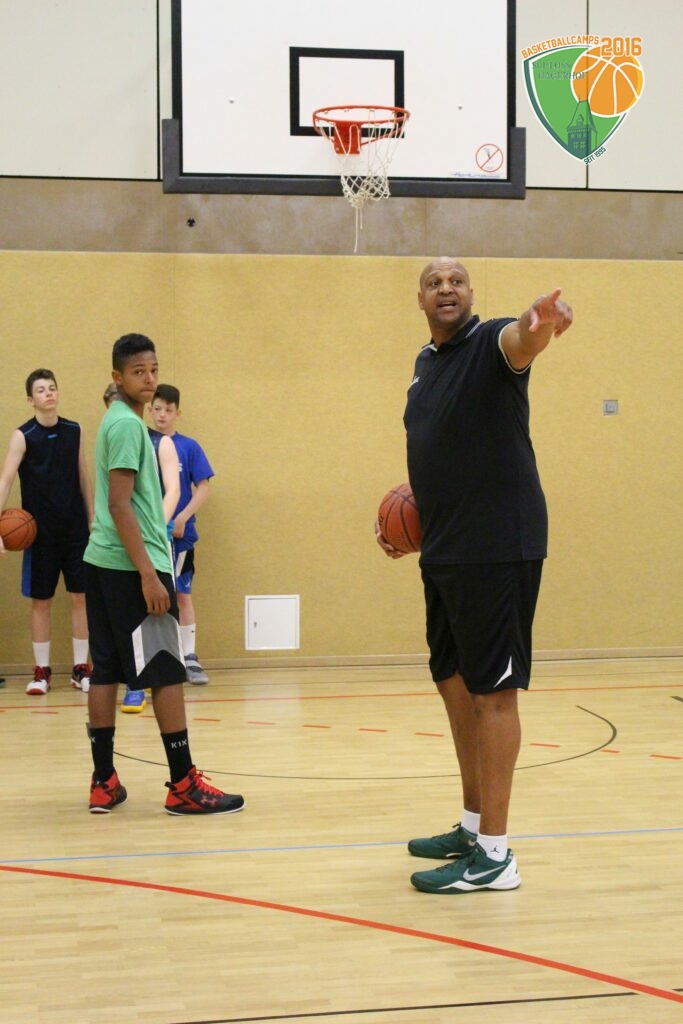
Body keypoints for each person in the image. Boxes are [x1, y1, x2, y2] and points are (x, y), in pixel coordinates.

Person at [377, 258, 572, 895]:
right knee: (454, 684)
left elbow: (524, 339)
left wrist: (541, 321)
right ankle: (471, 826)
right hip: (447, 548)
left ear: (471, 293)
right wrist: (409, 522)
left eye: (456, 280)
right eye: (434, 283)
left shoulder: (491, 342)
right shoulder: (426, 365)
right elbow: (440, 452)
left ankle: (495, 855)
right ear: (420, 299)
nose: (446, 289)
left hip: (497, 546)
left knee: (493, 694)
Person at [85, 332, 244, 816]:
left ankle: (103, 782)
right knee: (166, 672)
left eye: (153, 369)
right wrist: (149, 576)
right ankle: (183, 785)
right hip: (132, 566)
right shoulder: (128, 427)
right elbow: (120, 504)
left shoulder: (115, 420)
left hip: (102, 562)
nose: (149, 378)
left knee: (105, 672)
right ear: (118, 377)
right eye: (138, 371)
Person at [0, 369, 94, 694]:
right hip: (40, 535)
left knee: (81, 597)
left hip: (76, 531)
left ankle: (81, 669)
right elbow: (5, 481)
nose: (48, 393)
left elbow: (83, 476)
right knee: (41, 601)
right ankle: (41, 672)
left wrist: (92, 519)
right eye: (41, 390)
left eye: (52, 388)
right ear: (31, 399)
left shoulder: (74, 430)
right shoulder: (22, 435)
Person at [102, 381, 180, 714]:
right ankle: (134, 686)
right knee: (124, 627)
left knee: (156, 623)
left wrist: (156, 527)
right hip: (120, 546)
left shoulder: (160, 442)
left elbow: (174, 490)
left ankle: (151, 683)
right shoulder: (117, 434)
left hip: (152, 541)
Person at [148, 384, 213, 685]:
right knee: (152, 597)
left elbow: (204, 487)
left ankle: (189, 656)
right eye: (157, 409)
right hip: (149, 536)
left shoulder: (189, 446)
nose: (162, 415)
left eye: (168, 410)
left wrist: (183, 517)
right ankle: (157, 657)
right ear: (150, 410)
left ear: (178, 413)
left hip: (179, 537)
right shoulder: (142, 442)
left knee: (182, 594)